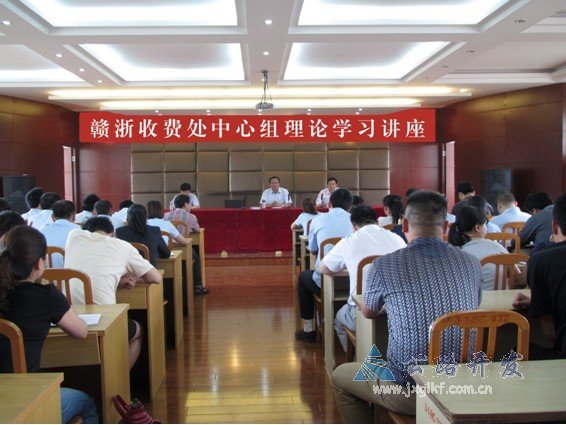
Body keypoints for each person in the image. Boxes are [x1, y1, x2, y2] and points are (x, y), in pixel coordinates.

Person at [331, 191, 482, 423]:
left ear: (404, 225)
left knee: (340, 377)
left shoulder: (384, 265)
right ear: (445, 226)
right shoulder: (472, 263)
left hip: (409, 390)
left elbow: (368, 311)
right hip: (463, 386)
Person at [0, 226, 98, 423]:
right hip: (25, 398)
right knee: (87, 402)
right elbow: (81, 332)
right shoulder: (46, 296)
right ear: (39, 262)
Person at [65, 217, 163, 368]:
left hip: (69, 318)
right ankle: (119, 377)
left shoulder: (74, 236)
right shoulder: (122, 246)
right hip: (105, 321)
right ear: (112, 233)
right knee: (139, 331)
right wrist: (130, 278)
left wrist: (116, 279)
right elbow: (155, 278)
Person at [317, 205, 406, 352]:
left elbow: (323, 268)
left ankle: (355, 357)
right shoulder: (397, 239)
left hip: (362, 311)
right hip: (398, 311)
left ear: (353, 226)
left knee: (339, 319)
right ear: (377, 221)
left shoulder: (349, 241)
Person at [295, 188, 354, 342]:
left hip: (325, 279)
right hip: (354, 283)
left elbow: (313, 249)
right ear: (350, 206)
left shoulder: (319, 220)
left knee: (303, 278)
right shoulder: (356, 221)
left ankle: (309, 329)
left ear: (330, 204)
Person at [513, 193, 566, 360]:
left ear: (554, 226)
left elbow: (551, 333)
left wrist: (542, 300)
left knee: (514, 351)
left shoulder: (541, 261)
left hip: (562, 360)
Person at [148, 200, 208, 296]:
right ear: (161, 211)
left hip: (147, 258)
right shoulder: (166, 223)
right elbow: (183, 241)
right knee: (194, 256)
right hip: (164, 256)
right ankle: (197, 286)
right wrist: (189, 240)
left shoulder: (144, 224)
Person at [448, 206, 512, 291]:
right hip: (501, 298)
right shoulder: (496, 247)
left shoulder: (455, 254)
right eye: (485, 224)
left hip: (470, 299)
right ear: (477, 228)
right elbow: (517, 278)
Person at [164, 196, 208, 295]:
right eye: (190, 204)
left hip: (167, 248)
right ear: (185, 204)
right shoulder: (191, 217)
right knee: (196, 259)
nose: (191, 206)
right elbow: (197, 230)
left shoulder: (165, 215)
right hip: (183, 247)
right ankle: (198, 286)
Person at [40, 200, 79, 268]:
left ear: (52, 217)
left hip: (47, 273)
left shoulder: (41, 231)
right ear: (73, 215)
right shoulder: (80, 231)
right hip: (73, 273)